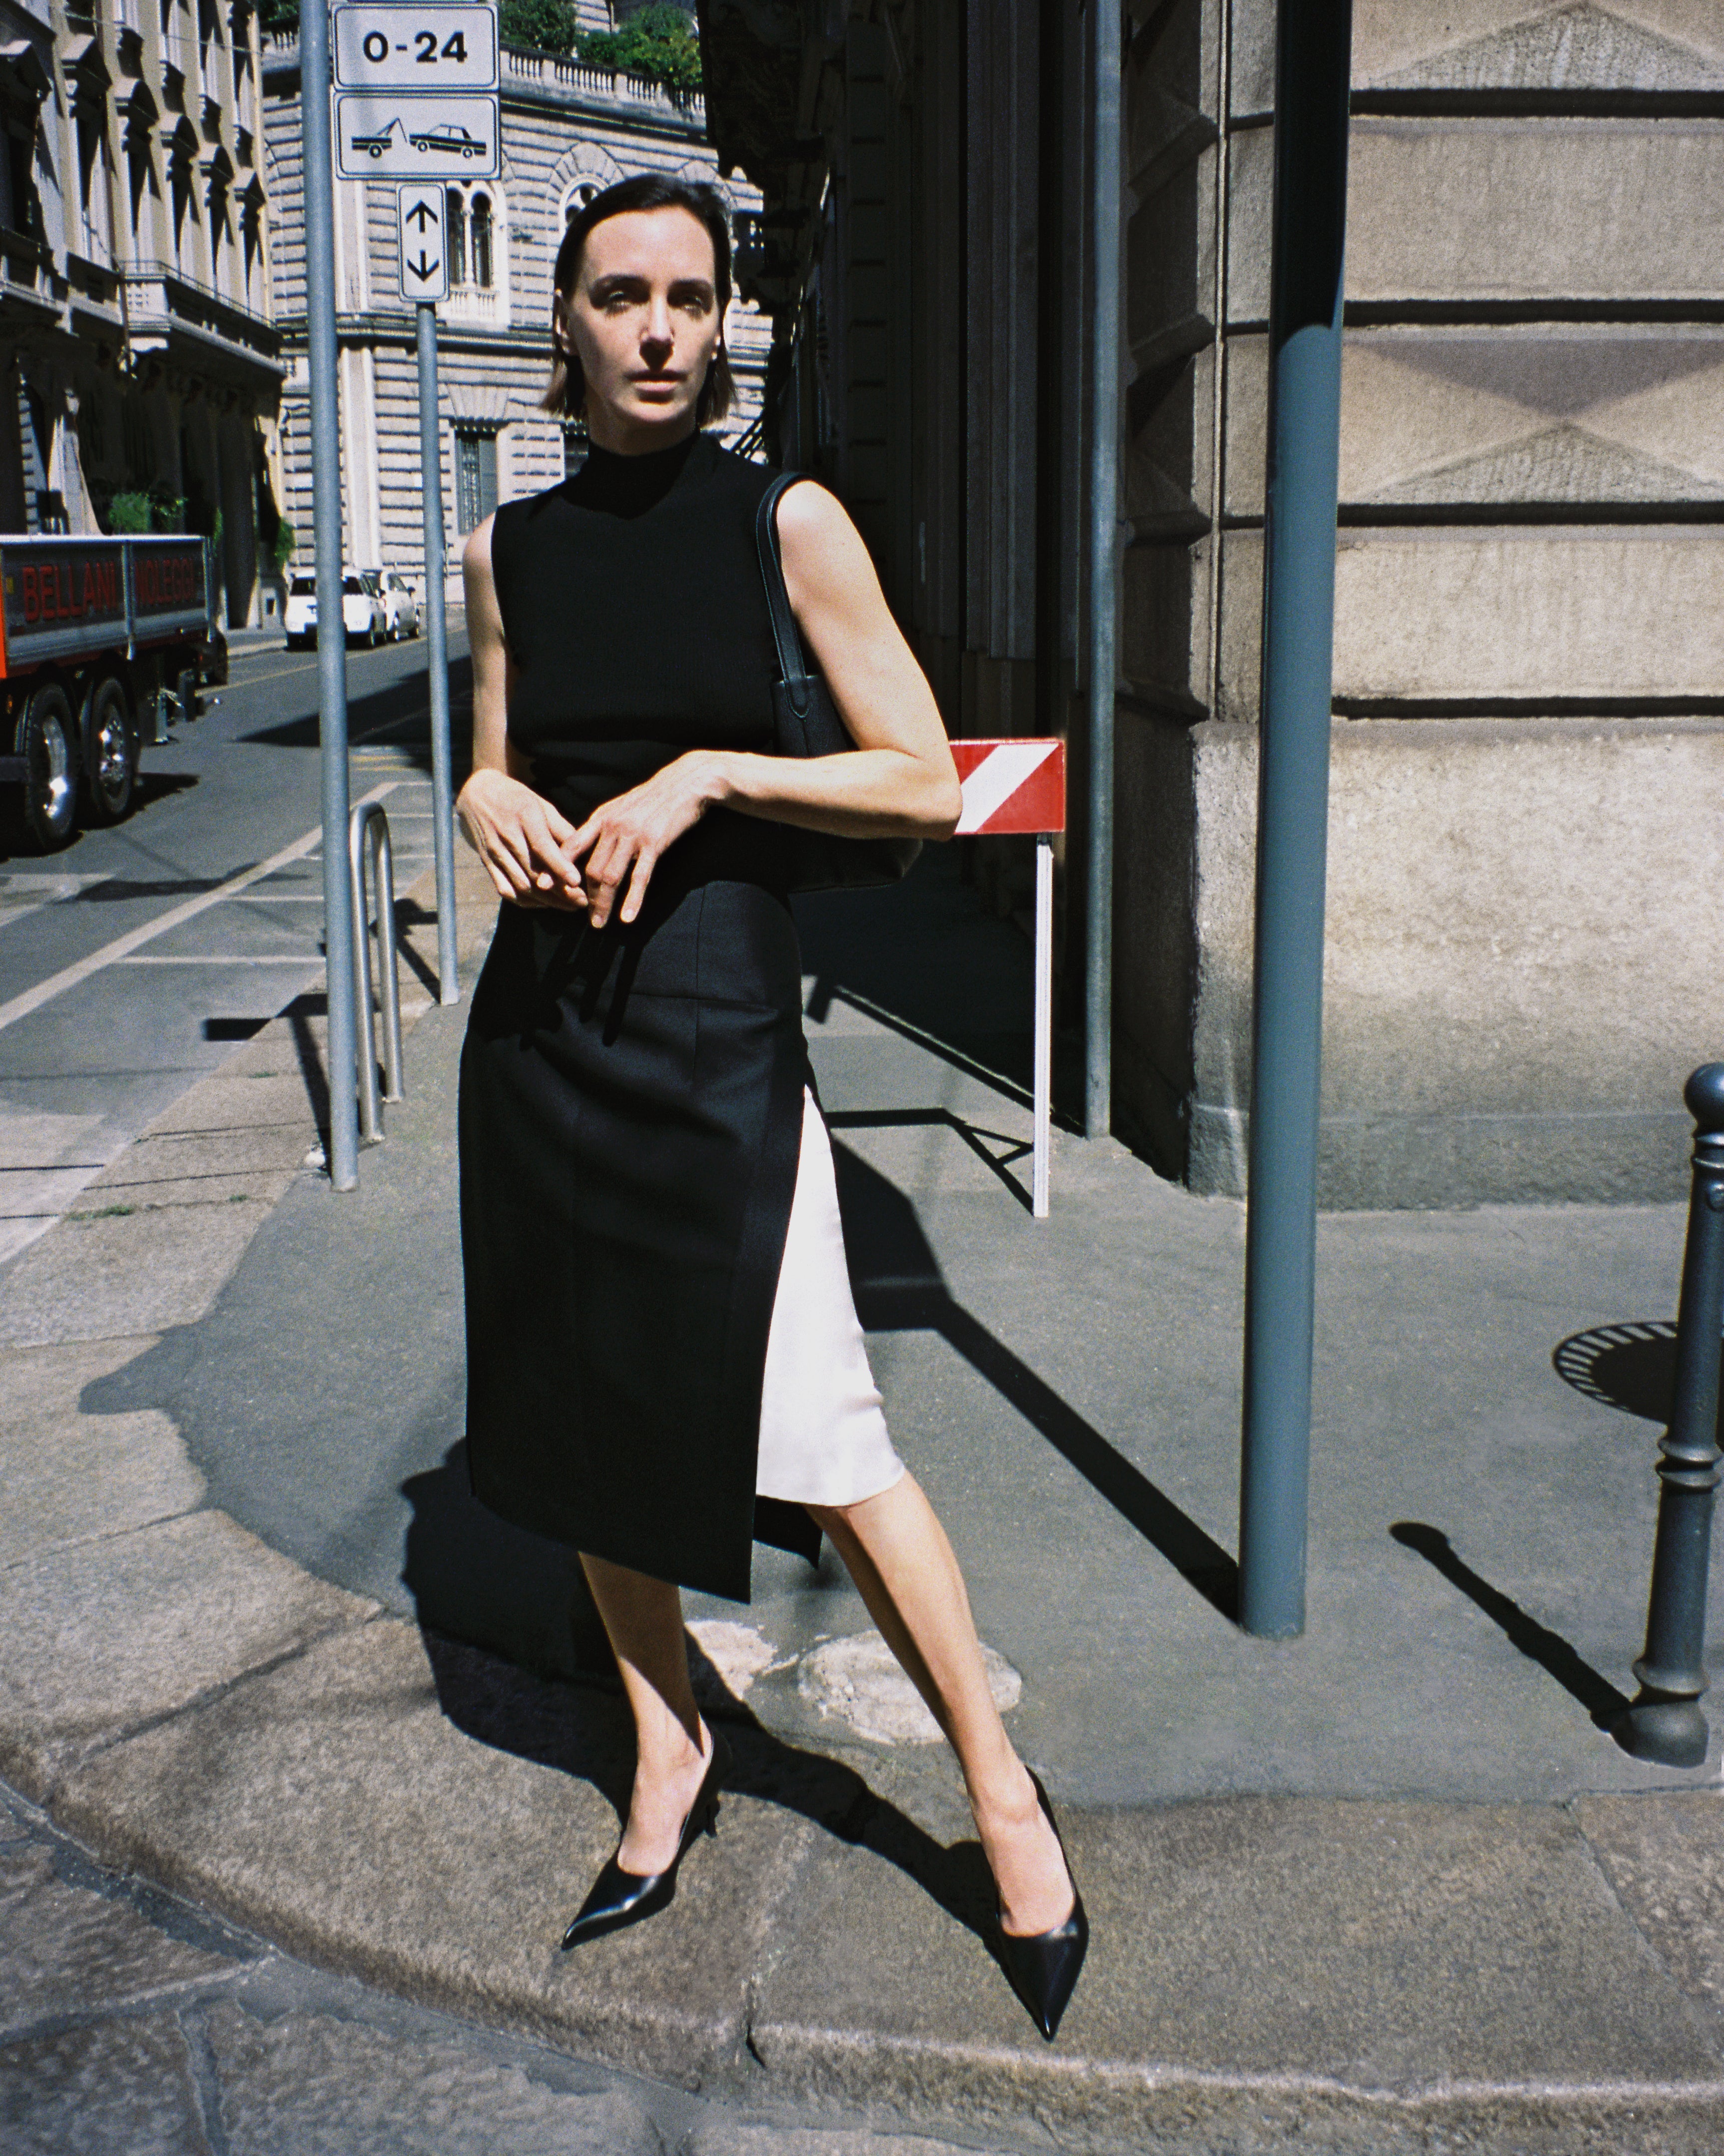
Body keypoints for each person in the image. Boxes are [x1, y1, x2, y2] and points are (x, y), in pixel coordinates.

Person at [454, 173, 1087, 2040]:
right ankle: (668, 1739)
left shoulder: (781, 518)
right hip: (545, 1024)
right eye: (619, 294)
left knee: (817, 1422)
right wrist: (483, 797)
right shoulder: (504, 550)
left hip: (717, 1012)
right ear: (565, 324)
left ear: (723, 321)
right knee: (583, 1413)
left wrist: (714, 774)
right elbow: (496, 758)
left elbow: (923, 782)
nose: (657, 326)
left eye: (688, 295)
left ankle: (997, 1790)